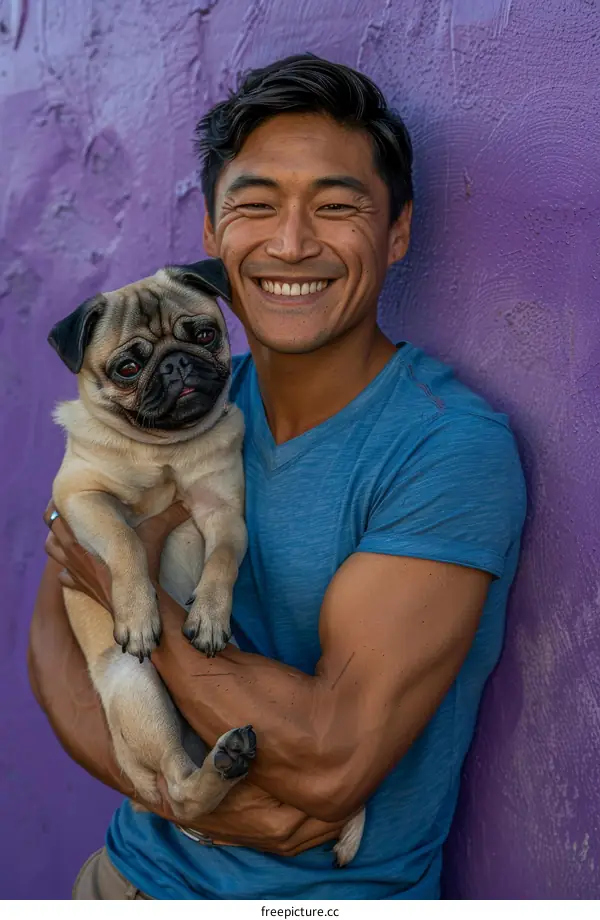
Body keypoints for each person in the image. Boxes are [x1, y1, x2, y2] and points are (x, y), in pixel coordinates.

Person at [29, 54, 527, 900]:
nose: (291, 243)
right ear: (214, 239)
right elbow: (55, 643)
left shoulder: (445, 450)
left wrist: (139, 588)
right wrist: (185, 800)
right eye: (256, 206)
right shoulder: (145, 421)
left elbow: (330, 760)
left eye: (336, 207)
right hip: (123, 881)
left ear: (398, 232)